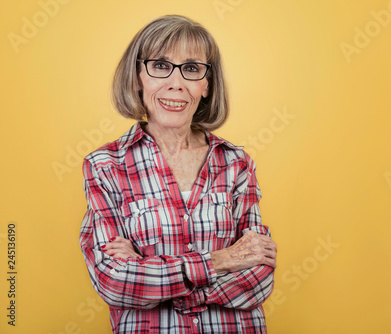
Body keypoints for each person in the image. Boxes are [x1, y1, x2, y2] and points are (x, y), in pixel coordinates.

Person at [79, 14, 277, 334]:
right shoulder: (106, 165)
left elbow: (259, 278)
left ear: (206, 85)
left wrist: (159, 283)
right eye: (160, 66)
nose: (176, 82)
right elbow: (114, 281)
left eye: (191, 68)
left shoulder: (236, 162)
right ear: (137, 77)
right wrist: (221, 260)